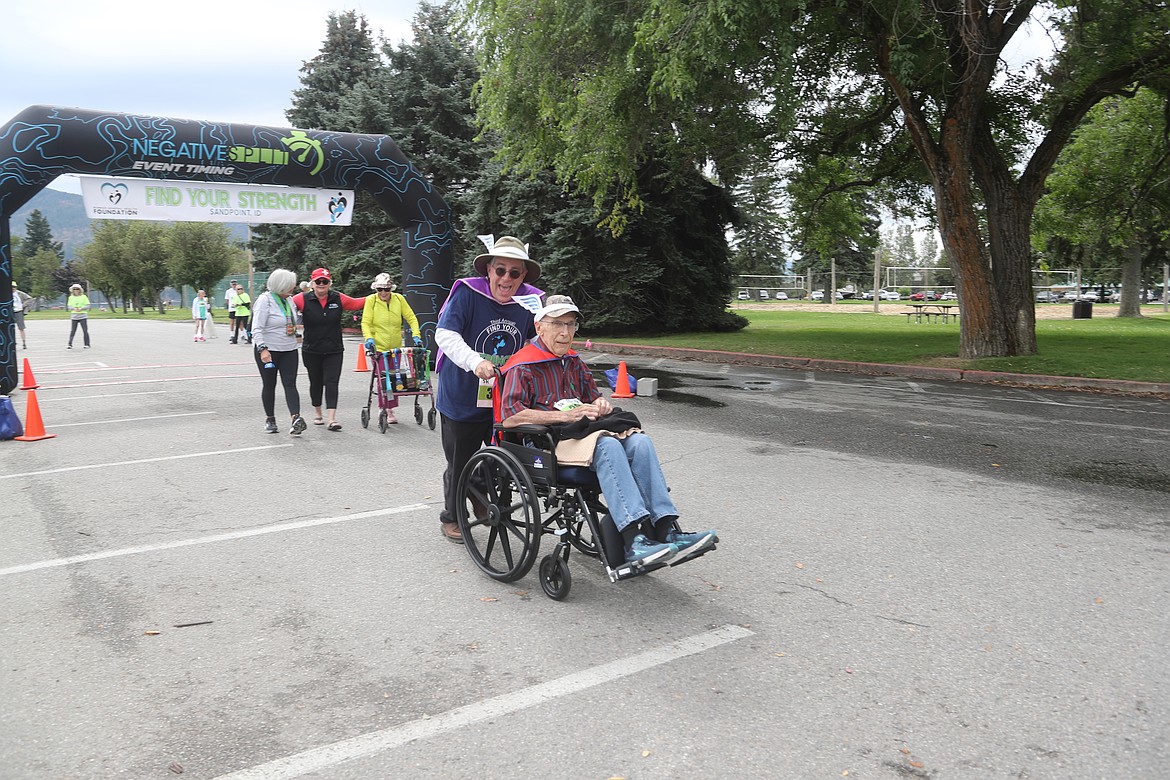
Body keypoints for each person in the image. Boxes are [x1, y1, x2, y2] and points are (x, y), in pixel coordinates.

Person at [498, 295, 717, 566]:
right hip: (546, 443)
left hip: (582, 435)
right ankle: (634, 539)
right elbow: (509, 417)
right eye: (557, 324)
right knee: (608, 445)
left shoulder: (574, 362)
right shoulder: (523, 365)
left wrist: (600, 403)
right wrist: (564, 416)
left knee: (640, 443)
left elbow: (594, 397)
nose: (566, 332)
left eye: (571, 324)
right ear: (540, 327)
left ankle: (667, 529)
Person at [434, 235, 543, 543]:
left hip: (505, 397)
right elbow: (445, 334)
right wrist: (474, 362)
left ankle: (486, 501)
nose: (506, 278)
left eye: (514, 272)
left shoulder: (529, 303)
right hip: (462, 394)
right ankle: (452, 516)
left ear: (523, 276)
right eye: (500, 270)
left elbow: (534, 341)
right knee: (459, 461)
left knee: (504, 456)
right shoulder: (468, 294)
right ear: (489, 270)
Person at [291, 267, 366, 431]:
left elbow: (356, 303)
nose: (321, 284)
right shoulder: (302, 299)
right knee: (316, 382)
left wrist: (380, 294)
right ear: (312, 283)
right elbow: (285, 305)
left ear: (329, 283)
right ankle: (318, 413)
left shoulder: (337, 298)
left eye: (325, 281)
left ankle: (332, 419)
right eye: (318, 281)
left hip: (334, 349)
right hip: (312, 349)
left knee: (332, 382)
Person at [361, 272, 422, 424]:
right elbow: (365, 322)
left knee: (394, 377)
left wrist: (416, 335)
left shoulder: (399, 299)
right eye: (379, 289)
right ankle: (385, 410)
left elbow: (411, 318)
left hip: (395, 347)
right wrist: (368, 338)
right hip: (378, 346)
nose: (383, 293)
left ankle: (390, 409)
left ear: (391, 289)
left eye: (386, 289)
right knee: (383, 377)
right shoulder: (371, 301)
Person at [250, 269, 307, 435]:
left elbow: (291, 321)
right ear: (280, 285)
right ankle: (270, 419)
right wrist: (262, 349)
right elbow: (257, 328)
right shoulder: (264, 300)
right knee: (270, 384)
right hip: (269, 351)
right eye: (289, 285)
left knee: (290, 383)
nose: (293, 288)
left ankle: (296, 418)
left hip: (289, 349)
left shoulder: (289, 301)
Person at [66, 283, 91, 349]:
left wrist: (81, 308)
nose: (76, 290)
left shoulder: (84, 297)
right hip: (74, 316)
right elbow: (69, 306)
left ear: (80, 290)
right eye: (74, 289)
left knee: (85, 330)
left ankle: (87, 344)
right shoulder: (71, 297)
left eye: (77, 289)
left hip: (82, 316)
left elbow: (88, 305)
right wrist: (73, 308)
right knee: (73, 330)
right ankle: (70, 344)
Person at [11, 281, 30, 349]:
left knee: (21, 328)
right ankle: (12, 341)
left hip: (18, 311)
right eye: (12, 287)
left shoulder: (20, 293)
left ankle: (24, 343)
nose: (13, 288)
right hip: (10, 312)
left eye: (14, 287)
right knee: (10, 328)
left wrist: (23, 305)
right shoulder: (5, 294)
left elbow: (29, 298)